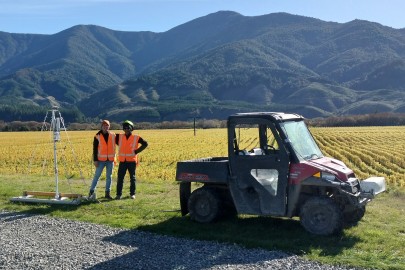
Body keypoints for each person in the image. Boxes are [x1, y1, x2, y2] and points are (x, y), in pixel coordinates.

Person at [115, 120, 148, 200]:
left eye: (128, 127)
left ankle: (132, 194)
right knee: (120, 178)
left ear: (131, 128)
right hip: (122, 161)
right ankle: (118, 195)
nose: (126, 129)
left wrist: (136, 151)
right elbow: (109, 136)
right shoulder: (119, 136)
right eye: (125, 127)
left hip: (132, 161)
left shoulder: (136, 137)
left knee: (132, 178)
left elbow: (145, 144)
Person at [88, 120, 116, 200]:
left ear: (109, 126)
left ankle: (107, 193)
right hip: (100, 160)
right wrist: (95, 160)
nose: (105, 127)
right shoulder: (97, 136)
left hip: (110, 160)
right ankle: (91, 192)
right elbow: (95, 149)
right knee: (96, 176)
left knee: (109, 177)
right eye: (104, 125)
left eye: (107, 125)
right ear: (101, 126)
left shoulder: (113, 135)